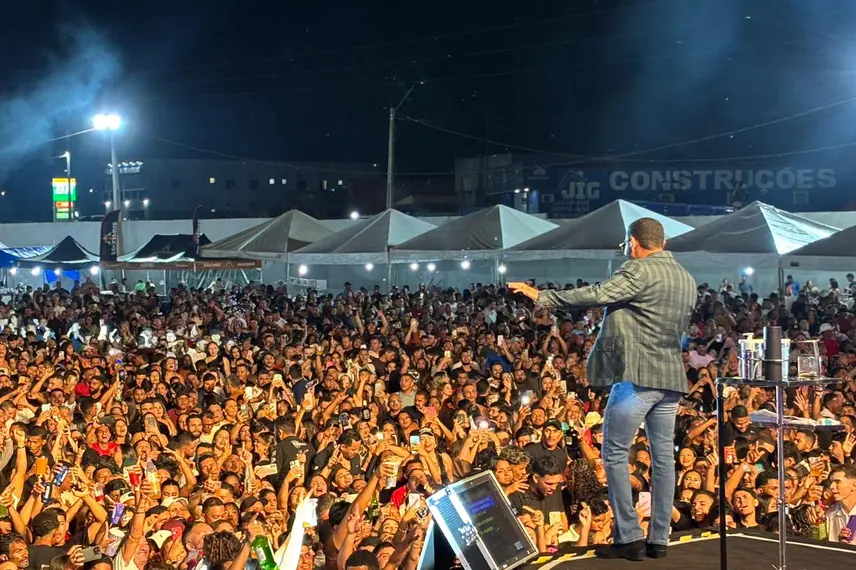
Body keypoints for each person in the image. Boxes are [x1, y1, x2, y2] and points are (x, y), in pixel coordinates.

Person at [510, 217, 696, 561]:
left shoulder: (638, 270)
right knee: (663, 460)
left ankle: (629, 537)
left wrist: (541, 295)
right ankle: (659, 539)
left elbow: (596, 293)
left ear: (633, 242)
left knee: (612, 453)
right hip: (671, 379)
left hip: (637, 377)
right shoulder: (686, 278)